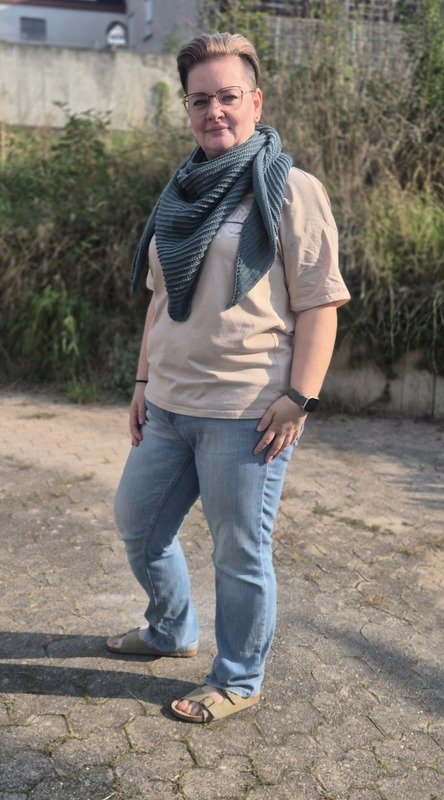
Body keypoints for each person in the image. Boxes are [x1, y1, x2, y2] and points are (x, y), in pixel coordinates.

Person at [107, 32, 350, 724]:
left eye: (228, 96)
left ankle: (239, 678)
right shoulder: (178, 193)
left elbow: (320, 303)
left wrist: (299, 397)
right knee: (138, 525)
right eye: (199, 99)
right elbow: (159, 299)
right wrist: (142, 383)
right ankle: (170, 629)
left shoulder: (292, 190)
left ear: (256, 102)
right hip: (169, 405)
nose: (214, 110)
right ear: (187, 109)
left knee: (239, 553)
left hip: (246, 413)